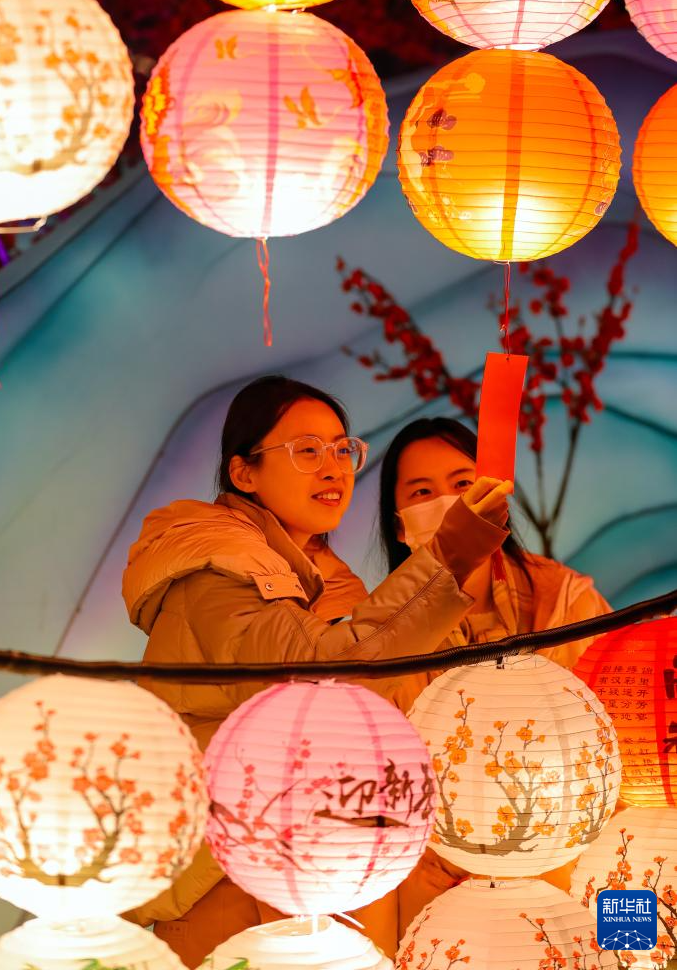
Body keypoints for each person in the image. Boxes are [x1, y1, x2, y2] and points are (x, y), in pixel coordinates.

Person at [121, 377, 513, 968]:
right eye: (307, 450)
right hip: (231, 868)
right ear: (244, 473)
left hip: (323, 864)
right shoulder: (217, 568)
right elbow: (325, 675)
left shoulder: (326, 577)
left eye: (342, 449)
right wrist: (448, 557)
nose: (333, 468)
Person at [377, 416, 611, 933]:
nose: (451, 505)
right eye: (422, 491)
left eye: (463, 483)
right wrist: (432, 852)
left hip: (562, 861)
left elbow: (617, 737)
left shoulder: (565, 603)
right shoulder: (384, 633)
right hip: (431, 872)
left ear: (497, 498)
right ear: (398, 524)